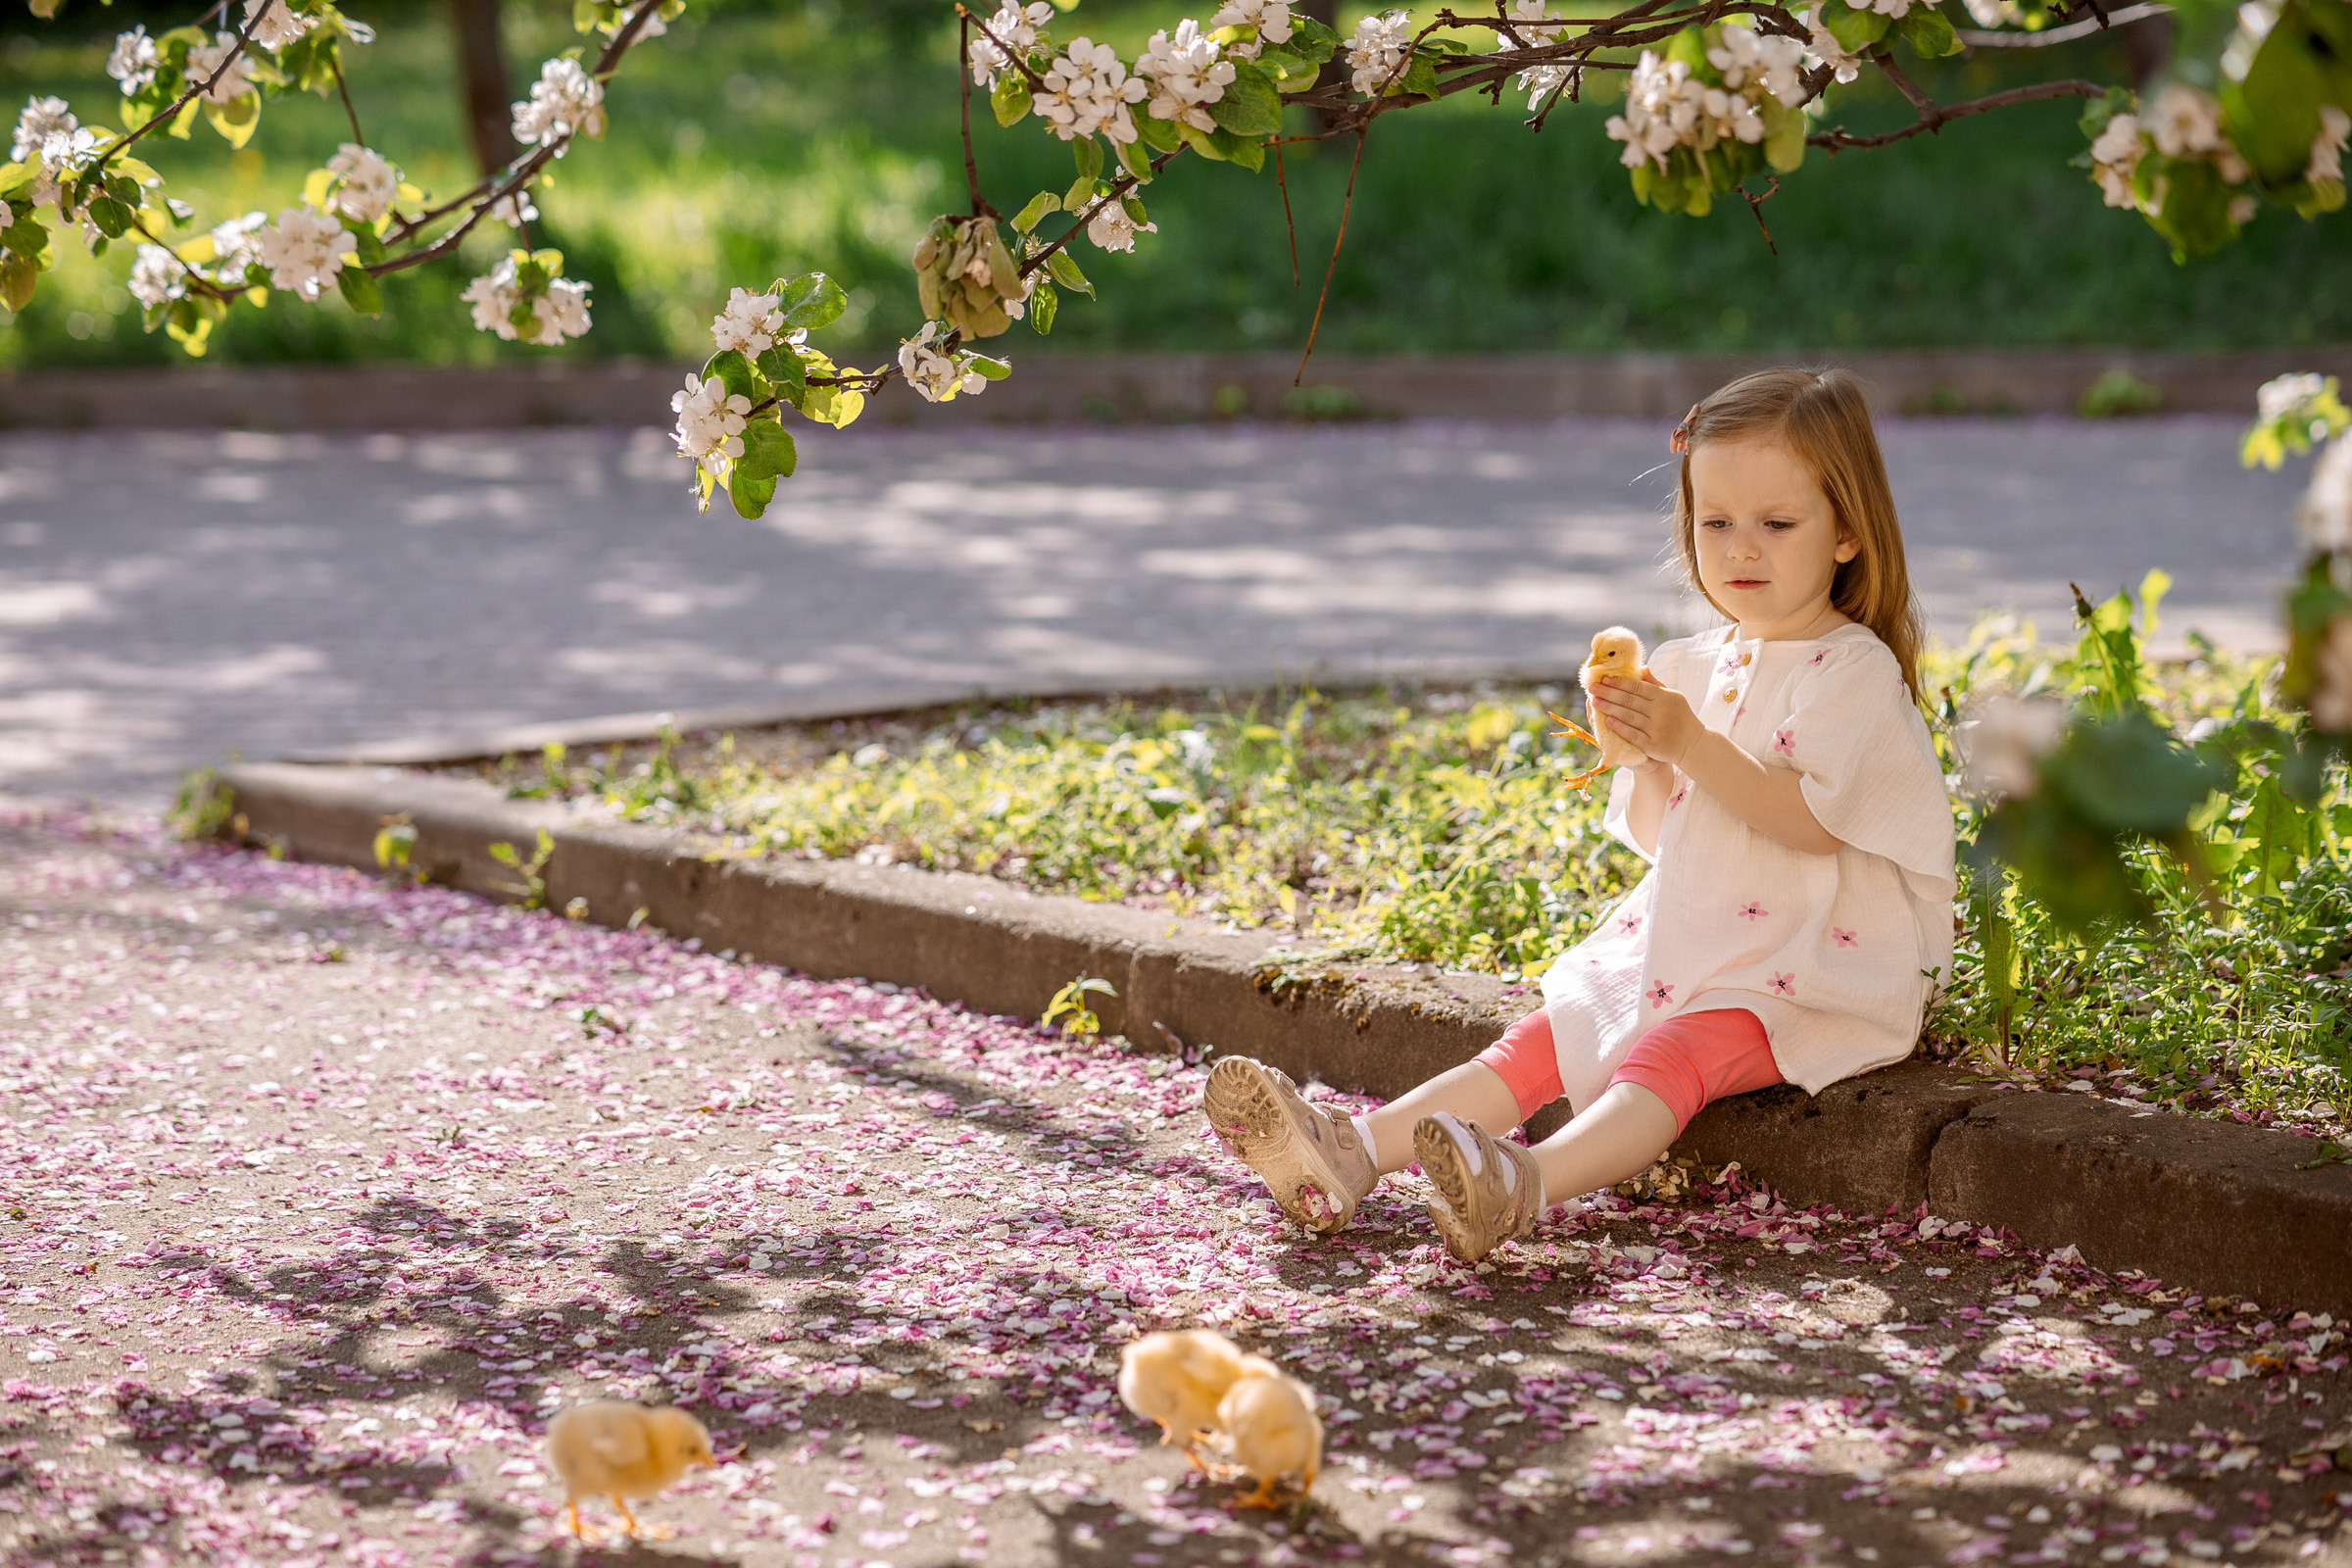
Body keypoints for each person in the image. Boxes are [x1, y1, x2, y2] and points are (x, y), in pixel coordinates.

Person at [1202, 368, 1957, 1263]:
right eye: (1715, 522)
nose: (1741, 549)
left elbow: (1812, 826)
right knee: (1547, 1037)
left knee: (1669, 1057)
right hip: (1703, 936)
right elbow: (1662, 835)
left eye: (1777, 524)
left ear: (1847, 536)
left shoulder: (1851, 669)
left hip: (1813, 962)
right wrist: (1637, 760)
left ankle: (1526, 1182)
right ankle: (1354, 1153)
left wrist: (1689, 747)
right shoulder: (1690, 661)